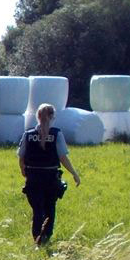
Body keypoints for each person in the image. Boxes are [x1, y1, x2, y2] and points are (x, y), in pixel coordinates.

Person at [17, 103, 81, 246]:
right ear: (52, 117)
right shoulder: (57, 134)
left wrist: (23, 171)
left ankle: (37, 239)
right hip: (51, 177)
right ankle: (45, 237)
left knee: (37, 210)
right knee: (50, 208)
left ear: (37, 116)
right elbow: (63, 157)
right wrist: (74, 173)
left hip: (33, 177)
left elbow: (21, 157)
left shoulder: (28, 135)